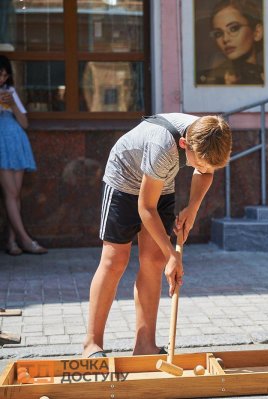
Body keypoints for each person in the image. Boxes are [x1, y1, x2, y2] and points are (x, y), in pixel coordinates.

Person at [82, 113, 232, 358]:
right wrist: (172, 253)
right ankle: (92, 343)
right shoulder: (163, 145)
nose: (204, 170)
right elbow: (145, 207)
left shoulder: (212, 137)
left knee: (153, 261)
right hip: (123, 180)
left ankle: (144, 345)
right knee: (115, 260)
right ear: (185, 145)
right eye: (200, 163)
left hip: (159, 181)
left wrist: (192, 209)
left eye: (210, 166)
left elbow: (205, 172)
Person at [0, 55, 47, 256]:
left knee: (15, 194)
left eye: (4, 75)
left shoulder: (10, 92)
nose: (2, 78)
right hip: (2, 144)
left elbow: (25, 122)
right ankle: (25, 239)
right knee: (10, 194)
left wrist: (12, 104)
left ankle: (11, 242)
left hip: (16, 143)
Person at [197, 0, 264, 85]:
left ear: (257, 32)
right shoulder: (204, 80)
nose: (225, 39)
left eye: (234, 28)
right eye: (218, 33)